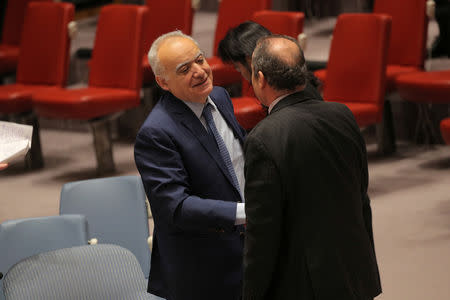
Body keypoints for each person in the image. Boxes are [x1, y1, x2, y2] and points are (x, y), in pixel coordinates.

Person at [242, 35, 381, 300]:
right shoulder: (343, 115)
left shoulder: (262, 138)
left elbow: (263, 233)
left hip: (304, 284)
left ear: (260, 78)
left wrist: (251, 293)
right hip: (354, 271)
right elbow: (361, 195)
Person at [134, 31, 246, 300]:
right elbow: (177, 206)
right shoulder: (156, 133)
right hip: (204, 267)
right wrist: (247, 212)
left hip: (247, 251)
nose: (199, 71)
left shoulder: (219, 97)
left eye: (199, 59)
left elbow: (235, 160)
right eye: (185, 69)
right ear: (163, 82)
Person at [217, 21, 322, 99]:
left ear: (250, 60)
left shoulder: (278, 95)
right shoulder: (297, 83)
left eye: (238, 67)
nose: (241, 74)